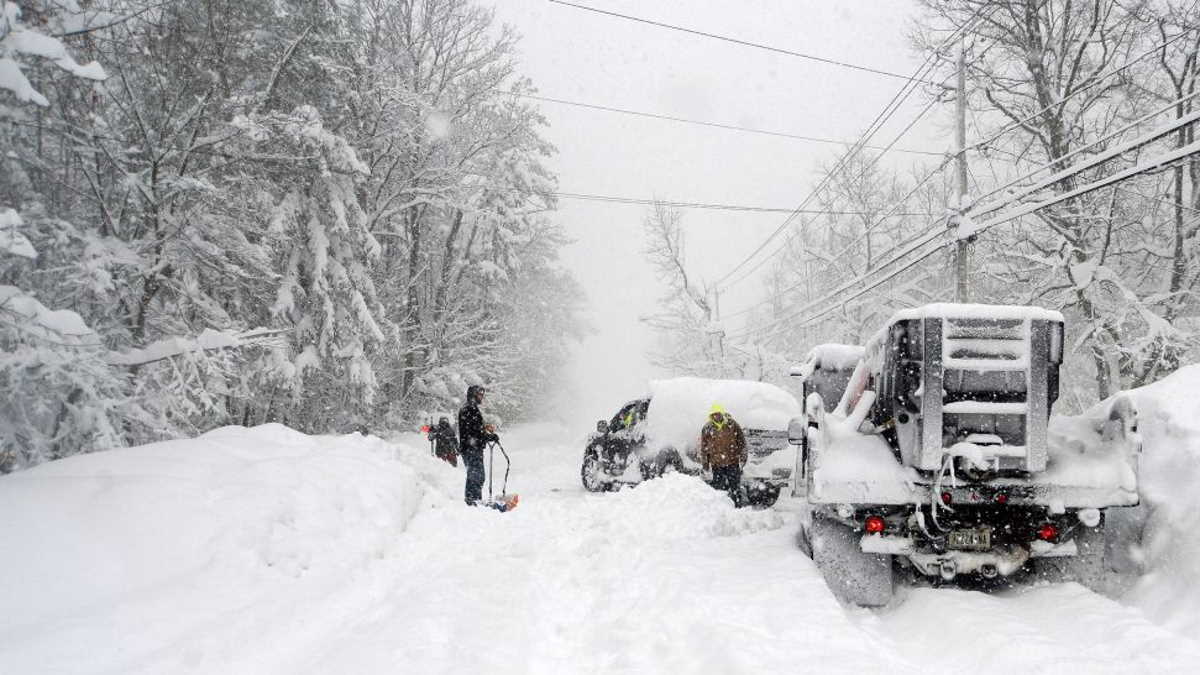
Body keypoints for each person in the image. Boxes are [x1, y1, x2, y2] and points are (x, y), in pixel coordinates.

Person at [699, 404, 747, 507]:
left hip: (732, 462)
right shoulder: (707, 428)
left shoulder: (732, 425)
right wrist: (705, 465)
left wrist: (743, 458)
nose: (716, 416)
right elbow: (704, 448)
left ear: (722, 413)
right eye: (713, 414)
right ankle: (721, 509)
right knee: (718, 489)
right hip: (717, 464)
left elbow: (742, 442)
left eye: (718, 414)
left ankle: (738, 507)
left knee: (735, 487)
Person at [458, 384, 498, 505]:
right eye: (480, 394)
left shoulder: (469, 408)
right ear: (473, 395)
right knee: (476, 476)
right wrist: (487, 436)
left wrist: (486, 432)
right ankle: (473, 501)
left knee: (475, 475)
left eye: (482, 395)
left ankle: (473, 500)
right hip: (471, 448)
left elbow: (475, 429)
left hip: (471, 447)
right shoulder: (470, 408)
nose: (482, 397)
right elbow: (473, 431)